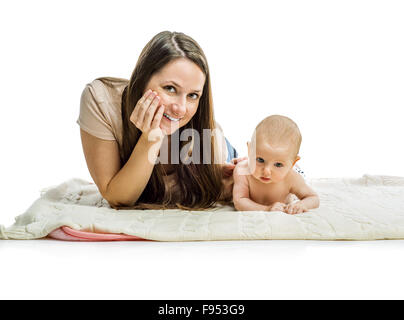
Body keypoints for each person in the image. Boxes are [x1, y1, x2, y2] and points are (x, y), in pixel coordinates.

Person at [77, 31, 241, 210]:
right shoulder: (101, 100)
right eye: (170, 88)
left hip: (215, 152)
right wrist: (151, 138)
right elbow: (118, 198)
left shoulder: (211, 141)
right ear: (142, 79)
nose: (180, 107)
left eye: (193, 95)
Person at [232, 115, 320, 214]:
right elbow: (239, 201)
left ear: (293, 163)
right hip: (247, 163)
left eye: (278, 164)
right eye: (260, 160)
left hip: (295, 173)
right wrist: (267, 209)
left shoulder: (291, 177)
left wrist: (302, 204)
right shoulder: (242, 171)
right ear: (249, 150)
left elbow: (313, 197)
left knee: (301, 180)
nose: (266, 171)